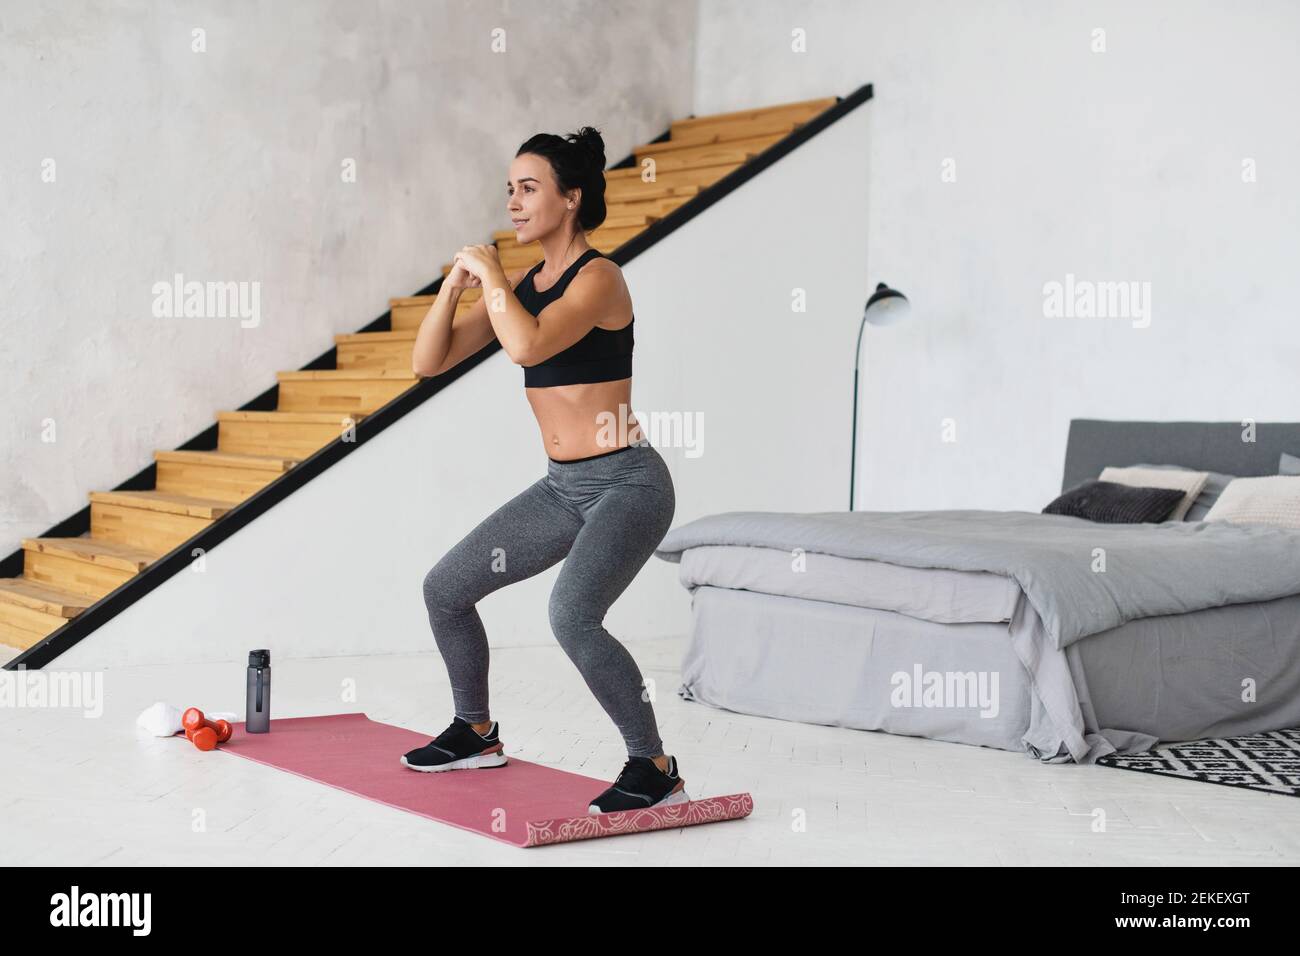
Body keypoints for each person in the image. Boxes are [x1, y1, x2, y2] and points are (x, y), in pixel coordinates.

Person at [400, 126, 687, 815]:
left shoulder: (600, 278)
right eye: (510, 190)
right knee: (445, 589)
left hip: (628, 484)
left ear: (572, 198)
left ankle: (654, 765)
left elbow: (527, 346)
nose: (515, 203)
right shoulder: (523, 286)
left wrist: (496, 280)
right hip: (563, 489)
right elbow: (427, 361)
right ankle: (474, 730)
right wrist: (454, 287)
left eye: (529, 188)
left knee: (572, 614)